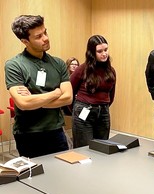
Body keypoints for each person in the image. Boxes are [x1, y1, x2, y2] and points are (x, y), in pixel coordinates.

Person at [5, 15, 73, 158]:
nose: (46, 38)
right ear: (25, 41)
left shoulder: (58, 63)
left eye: (45, 32)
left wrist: (35, 100)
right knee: (35, 178)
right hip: (28, 134)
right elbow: (23, 103)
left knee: (63, 174)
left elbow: (67, 98)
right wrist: (55, 93)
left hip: (56, 131)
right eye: (39, 36)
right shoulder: (14, 65)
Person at [70, 35, 116, 148]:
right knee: (83, 148)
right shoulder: (82, 69)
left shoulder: (111, 71)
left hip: (103, 111)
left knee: (102, 147)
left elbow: (111, 95)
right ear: (92, 52)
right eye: (99, 51)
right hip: (83, 110)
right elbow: (69, 91)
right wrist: (75, 110)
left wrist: (102, 106)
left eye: (106, 50)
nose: (104, 53)